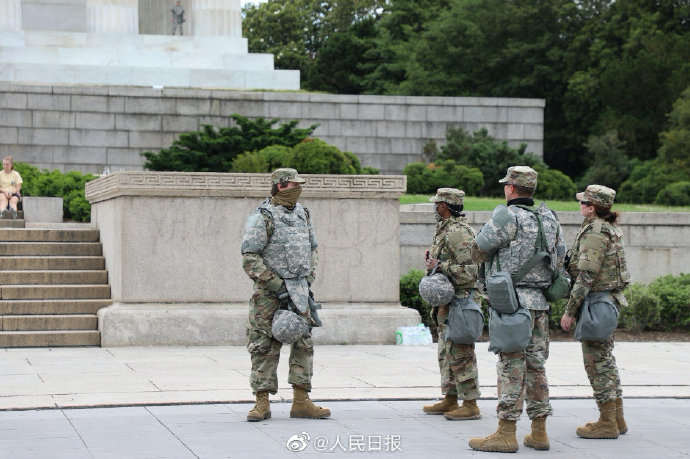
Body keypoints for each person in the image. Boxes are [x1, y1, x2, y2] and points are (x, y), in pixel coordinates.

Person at [469, 166, 566, 453]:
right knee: (536, 366)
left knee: (511, 366)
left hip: (511, 303)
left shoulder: (507, 216)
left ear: (511, 188)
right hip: (540, 304)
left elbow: (477, 250)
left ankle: (506, 432)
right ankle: (539, 432)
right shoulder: (550, 218)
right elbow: (560, 260)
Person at [240, 168, 330, 422]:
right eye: (294, 184)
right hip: (269, 294)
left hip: (300, 290)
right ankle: (262, 402)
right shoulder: (262, 216)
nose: (298, 188)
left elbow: (313, 249)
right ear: (280, 186)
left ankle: (301, 401)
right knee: (263, 346)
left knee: (304, 345)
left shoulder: (304, 214)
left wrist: (309, 277)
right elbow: (250, 257)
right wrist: (276, 284)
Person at [560, 185, 630, 439]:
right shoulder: (609, 228)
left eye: (583, 203)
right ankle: (617, 418)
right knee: (606, 361)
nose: (579, 207)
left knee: (596, 363)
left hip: (596, 304)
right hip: (606, 302)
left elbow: (587, 275)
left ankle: (607, 422)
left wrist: (570, 311)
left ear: (592, 207)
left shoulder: (596, 232)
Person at [421, 188, 482, 421]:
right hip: (449, 302)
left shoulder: (458, 233)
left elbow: (471, 271)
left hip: (462, 301)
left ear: (445, 206)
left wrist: (442, 266)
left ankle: (470, 403)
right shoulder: (445, 229)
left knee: (461, 352)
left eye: (437, 204)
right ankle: (450, 397)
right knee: (447, 351)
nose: (435, 208)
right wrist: (434, 265)